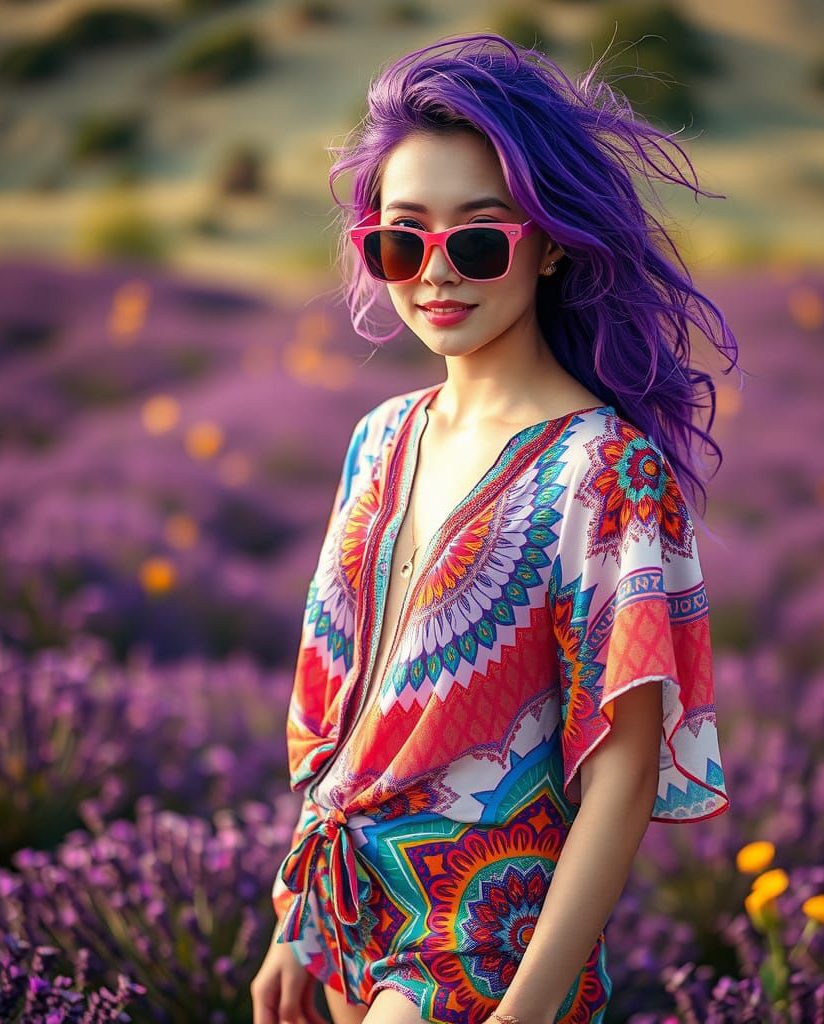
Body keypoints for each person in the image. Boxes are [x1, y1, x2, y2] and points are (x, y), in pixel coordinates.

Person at [251, 31, 737, 1024]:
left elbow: (624, 774)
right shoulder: (380, 436)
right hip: (348, 912)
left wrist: (524, 1010)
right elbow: (348, 703)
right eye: (400, 238)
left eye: (479, 237)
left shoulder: (603, 470)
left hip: (482, 937)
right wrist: (294, 919)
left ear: (549, 241)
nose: (436, 272)